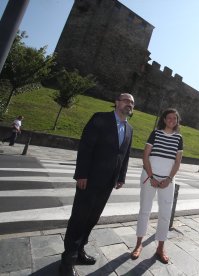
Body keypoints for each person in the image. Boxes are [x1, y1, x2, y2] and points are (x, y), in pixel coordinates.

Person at [59, 93, 135, 276]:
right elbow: (86, 147)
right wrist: (82, 174)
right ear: (116, 102)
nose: (129, 104)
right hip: (90, 179)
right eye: (126, 100)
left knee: (92, 218)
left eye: (132, 103)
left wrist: (121, 177)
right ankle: (67, 260)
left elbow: (124, 156)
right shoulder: (100, 118)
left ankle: (79, 251)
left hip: (108, 183)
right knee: (79, 218)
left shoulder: (129, 129)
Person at [131, 108, 183, 264]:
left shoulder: (179, 138)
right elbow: (145, 156)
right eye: (169, 118)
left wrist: (168, 178)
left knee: (165, 214)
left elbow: (178, 161)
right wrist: (151, 176)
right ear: (164, 119)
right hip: (149, 177)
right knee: (144, 211)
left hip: (167, 180)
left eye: (175, 118)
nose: (171, 120)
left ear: (177, 121)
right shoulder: (156, 133)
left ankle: (160, 247)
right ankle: (138, 245)